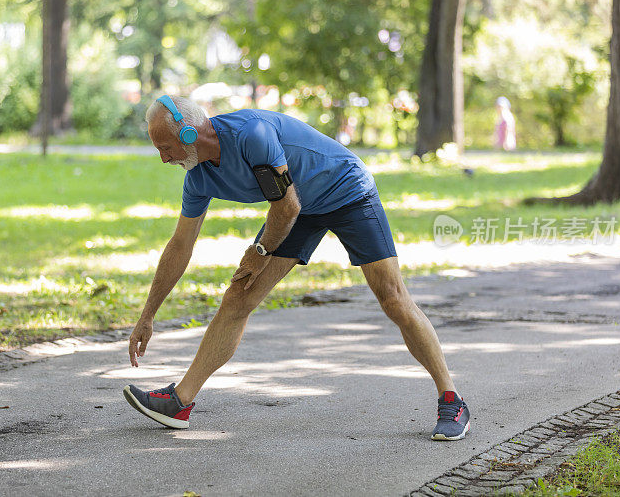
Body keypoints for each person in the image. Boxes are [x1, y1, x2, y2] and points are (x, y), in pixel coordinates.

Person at [123, 95, 470, 440]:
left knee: (393, 299)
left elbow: (286, 207)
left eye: (166, 148)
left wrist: (260, 251)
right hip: (297, 209)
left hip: (346, 191)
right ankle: (179, 402)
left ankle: (451, 399)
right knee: (238, 297)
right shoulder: (198, 177)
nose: (163, 159)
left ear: (189, 133)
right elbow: (180, 245)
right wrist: (147, 315)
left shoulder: (252, 135)